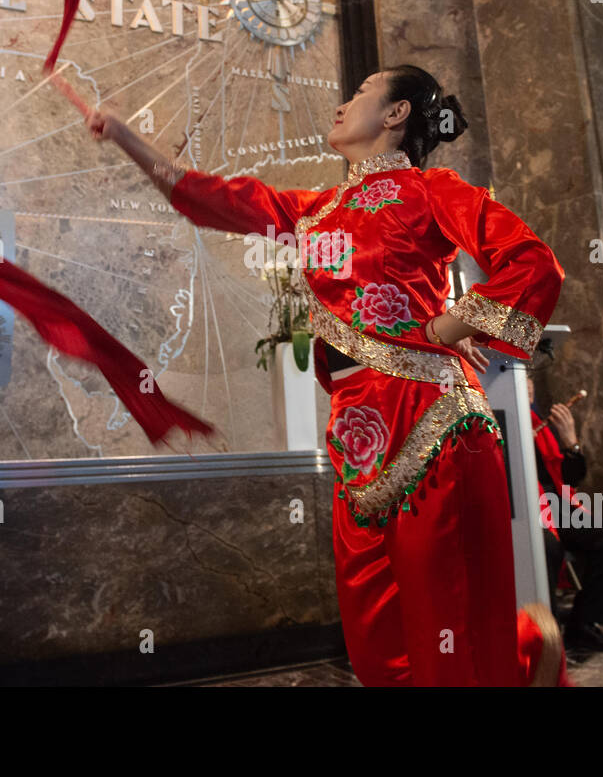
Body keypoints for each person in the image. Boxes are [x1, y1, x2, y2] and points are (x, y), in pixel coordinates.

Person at [85, 64, 567, 686]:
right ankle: (527, 655)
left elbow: (534, 264)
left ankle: (522, 656)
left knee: (445, 622)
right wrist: (125, 136)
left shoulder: (431, 189)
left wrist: (451, 328)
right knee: (377, 636)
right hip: (356, 433)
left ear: (396, 115)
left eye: (362, 92)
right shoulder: (313, 211)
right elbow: (205, 196)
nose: (343, 103)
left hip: (432, 419)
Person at [529, 375, 603, 651]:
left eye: (529, 378)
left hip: (556, 505)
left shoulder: (539, 422)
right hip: (519, 504)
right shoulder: (496, 416)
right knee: (546, 545)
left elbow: (572, 477)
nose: (526, 384)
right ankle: (544, 633)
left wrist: (570, 439)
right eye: (519, 377)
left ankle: (585, 625)